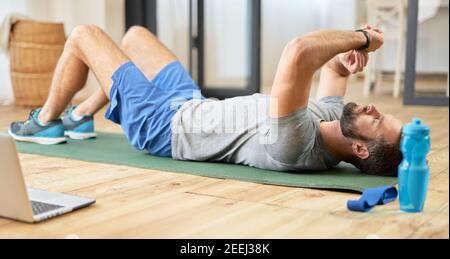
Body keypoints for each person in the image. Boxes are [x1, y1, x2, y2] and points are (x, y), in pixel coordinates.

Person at [9, 24, 403, 176]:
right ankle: (80, 115)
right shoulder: (336, 117)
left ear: (360, 150)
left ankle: (45, 122)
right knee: (133, 38)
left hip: (164, 128)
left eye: (377, 121)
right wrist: (345, 61)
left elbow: (299, 52)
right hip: (190, 104)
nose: (372, 108)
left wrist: (362, 39)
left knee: (82, 36)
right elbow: (332, 71)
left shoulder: (297, 145)